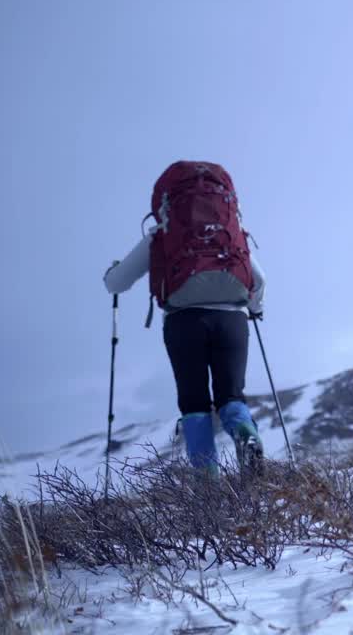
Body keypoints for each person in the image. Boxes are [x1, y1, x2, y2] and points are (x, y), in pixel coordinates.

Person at [105, 161, 266, 475]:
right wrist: (255, 309)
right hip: (232, 320)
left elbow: (117, 283)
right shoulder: (233, 234)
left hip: (184, 322)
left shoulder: (161, 236)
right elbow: (259, 281)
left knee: (193, 401)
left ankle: (207, 484)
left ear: (165, 201)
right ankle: (245, 434)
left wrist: (112, 271)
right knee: (231, 395)